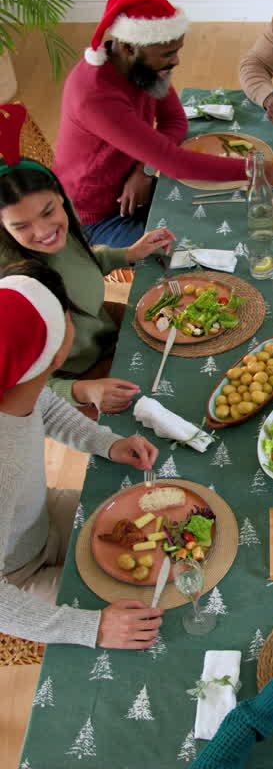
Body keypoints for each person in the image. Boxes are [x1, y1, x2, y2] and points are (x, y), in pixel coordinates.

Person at [53, 0, 273, 247]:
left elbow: (174, 119)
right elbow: (175, 163)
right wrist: (264, 170)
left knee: (233, 212)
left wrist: (145, 168)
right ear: (130, 48)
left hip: (136, 184)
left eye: (177, 51)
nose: (176, 61)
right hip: (94, 218)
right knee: (197, 243)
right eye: (168, 54)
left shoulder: (144, 69)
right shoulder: (96, 97)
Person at [0, 266, 163, 649]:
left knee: (151, 533)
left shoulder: (17, 377)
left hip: (37, 518)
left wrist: (108, 443)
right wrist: (92, 628)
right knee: (147, 610)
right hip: (17, 578)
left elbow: (46, 407)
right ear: (58, 351)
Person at [0, 104, 174, 414]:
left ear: (61, 198)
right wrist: (80, 390)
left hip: (105, 333)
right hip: (75, 383)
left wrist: (128, 253)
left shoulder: (65, 234)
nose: (44, 232)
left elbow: (79, 261)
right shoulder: (10, 290)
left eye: (48, 211)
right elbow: (16, 390)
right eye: (21, 226)